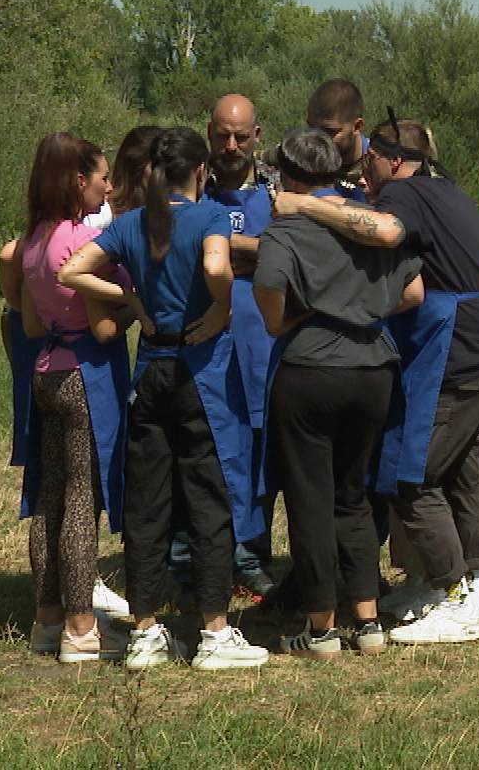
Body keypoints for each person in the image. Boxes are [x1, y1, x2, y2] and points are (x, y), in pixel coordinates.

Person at [59, 128, 268, 671]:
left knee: (148, 505)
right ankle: (215, 632)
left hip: (149, 370)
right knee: (207, 499)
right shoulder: (209, 218)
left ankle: (145, 630)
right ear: (200, 172)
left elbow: (71, 270)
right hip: (202, 374)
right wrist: (221, 307)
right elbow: (219, 267)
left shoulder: (130, 224)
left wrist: (128, 297)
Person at [252, 127, 425, 659]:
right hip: (374, 369)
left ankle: (321, 627)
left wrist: (306, 315)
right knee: (353, 496)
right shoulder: (367, 221)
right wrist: (364, 312)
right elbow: (414, 290)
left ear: (287, 174)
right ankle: (368, 620)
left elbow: (272, 312)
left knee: (310, 500)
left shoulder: (285, 230)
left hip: (309, 372)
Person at [13, 133, 137, 662]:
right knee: (83, 501)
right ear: (78, 181)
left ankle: (47, 619)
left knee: (50, 499)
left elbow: (30, 319)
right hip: (84, 374)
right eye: (103, 176)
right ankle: (83, 627)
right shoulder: (78, 244)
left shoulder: (34, 240)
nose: (108, 187)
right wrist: (134, 303)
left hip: (45, 372)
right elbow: (104, 329)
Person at [202, 94, 277, 602]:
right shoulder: (189, 184)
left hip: (264, 344)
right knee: (206, 451)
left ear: (257, 136)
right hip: (205, 344)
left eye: (241, 136)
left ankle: (252, 558)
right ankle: (194, 561)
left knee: (258, 453)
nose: (231, 146)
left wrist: (224, 249)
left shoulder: (279, 192)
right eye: (222, 135)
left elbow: (287, 252)